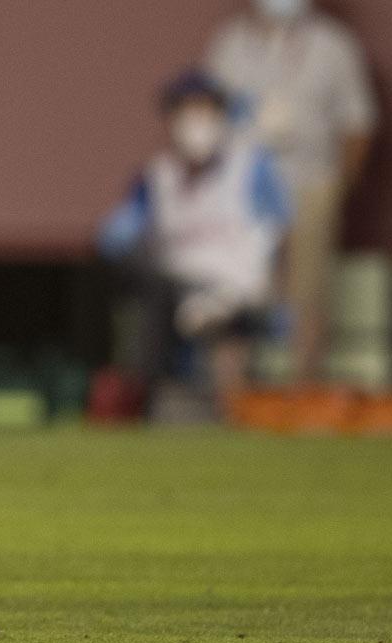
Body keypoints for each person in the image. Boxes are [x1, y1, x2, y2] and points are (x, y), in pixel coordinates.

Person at [205, 0, 378, 382]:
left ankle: (304, 393)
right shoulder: (231, 43)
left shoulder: (333, 44)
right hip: (245, 188)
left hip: (311, 180)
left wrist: (338, 185)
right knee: (235, 288)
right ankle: (230, 395)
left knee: (308, 290)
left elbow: (358, 121)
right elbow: (209, 113)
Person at [99, 71, 291, 412]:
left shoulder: (251, 168)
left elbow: (274, 234)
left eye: (207, 111)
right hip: (175, 286)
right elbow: (116, 237)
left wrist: (243, 297)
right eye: (188, 112)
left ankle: (235, 410)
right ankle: (145, 400)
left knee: (230, 330)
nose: (198, 123)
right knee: (153, 298)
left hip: (237, 290)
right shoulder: (156, 176)